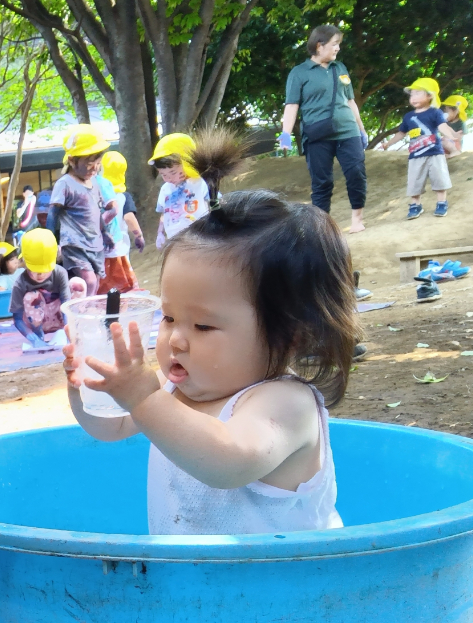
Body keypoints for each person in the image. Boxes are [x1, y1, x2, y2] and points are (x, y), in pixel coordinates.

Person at [61, 132, 359, 535]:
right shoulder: (169, 390)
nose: (176, 340)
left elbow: (229, 462)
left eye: (202, 325)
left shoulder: (286, 404)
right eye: (168, 318)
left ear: (292, 334)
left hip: (292, 591)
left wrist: (144, 397)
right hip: (195, 590)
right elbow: (109, 427)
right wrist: (89, 390)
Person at [279, 24, 369, 233]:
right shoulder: (299, 73)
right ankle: (322, 229)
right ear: (319, 45)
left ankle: (357, 219)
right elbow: (292, 105)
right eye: (334, 44)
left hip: (348, 131)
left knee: (356, 172)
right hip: (317, 134)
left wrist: (362, 129)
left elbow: (350, 101)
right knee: (322, 182)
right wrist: (285, 133)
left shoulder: (340, 68)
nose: (338, 48)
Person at [377, 78, 460, 219]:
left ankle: (441, 203)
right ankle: (415, 205)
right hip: (415, 155)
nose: (413, 97)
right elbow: (401, 133)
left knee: (439, 179)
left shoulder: (435, 113)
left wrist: (451, 135)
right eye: (411, 94)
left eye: (417, 93)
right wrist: (388, 144)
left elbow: (442, 126)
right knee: (414, 182)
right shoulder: (408, 116)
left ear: (429, 96)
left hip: (435, 153)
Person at [49, 125, 115, 296]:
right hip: (74, 244)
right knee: (89, 281)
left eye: (98, 164)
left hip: (95, 243)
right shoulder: (64, 184)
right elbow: (53, 214)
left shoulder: (95, 184)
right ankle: (78, 313)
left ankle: (85, 314)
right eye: (89, 163)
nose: (94, 168)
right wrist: (51, 240)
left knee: (95, 283)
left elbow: (97, 212)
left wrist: (106, 232)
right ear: (71, 160)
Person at [11, 228, 86, 351]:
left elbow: (66, 304)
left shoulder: (60, 273)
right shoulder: (20, 283)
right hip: (37, 323)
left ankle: (74, 331)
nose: (40, 274)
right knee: (32, 296)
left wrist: (69, 334)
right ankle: (40, 336)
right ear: (24, 261)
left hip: (61, 319)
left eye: (45, 269)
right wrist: (34, 339)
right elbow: (18, 319)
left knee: (78, 284)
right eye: (35, 269)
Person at [150, 133, 210, 250]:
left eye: (172, 172)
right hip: (175, 242)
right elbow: (164, 213)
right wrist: (160, 233)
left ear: (187, 164)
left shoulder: (201, 183)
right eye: (163, 174)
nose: (168, 178)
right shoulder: (165, 189)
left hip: (200, 238)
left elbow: (214, 203)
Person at [96, 154, 138, 293]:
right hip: (120, 244)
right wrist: (139, 235)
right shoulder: (123, 197)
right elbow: (129, 218)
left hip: (99, 244)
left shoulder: (97, 194)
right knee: (122, 278)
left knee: (102, 278)